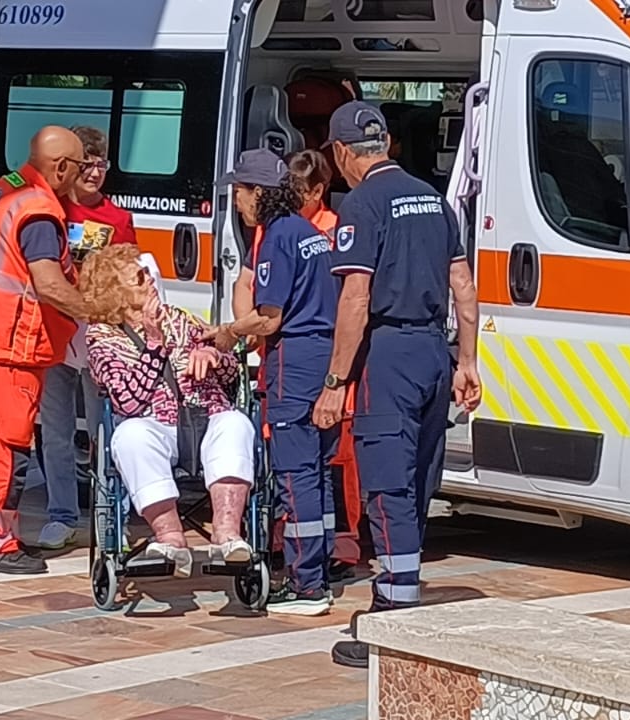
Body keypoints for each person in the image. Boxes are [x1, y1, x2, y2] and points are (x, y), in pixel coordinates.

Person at [312, 101, 481, 667]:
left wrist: (335, 381)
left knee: (387, 485)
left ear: (342, 152)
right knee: (418, 480)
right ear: (385, 143)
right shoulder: (433, 199)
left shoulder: (362, 204)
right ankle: (401, 587)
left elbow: (355, 299)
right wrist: (467, 362)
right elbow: (464, 288)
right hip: (434, 352)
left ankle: (393, 616)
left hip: (388, 354)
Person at [219, 150, 366, 579]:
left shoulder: (277, 237)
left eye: (240, 193)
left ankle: (305, 582)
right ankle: (318, 567)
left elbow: (269, 318)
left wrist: (230, 331)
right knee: (317, 471)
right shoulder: (308, 231)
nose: (237, 204)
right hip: (322, 358)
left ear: (259, 193)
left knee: (295, 474)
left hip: (295, 362)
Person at [0, 126, 92, 574]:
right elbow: (48, 284)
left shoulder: (7, 186)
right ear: (61, 167)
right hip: (11, 342)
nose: (81, 176)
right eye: (79, 167)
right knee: (9, 448)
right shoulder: (40, 211)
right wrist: (95, 311)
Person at [84, 244, 255, 577]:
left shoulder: (180, 318)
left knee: (236, 423)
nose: (150, 278)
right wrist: (154, 346)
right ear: (115, 293)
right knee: (130, 436)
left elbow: (232, 372)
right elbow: (127, 402)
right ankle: (171, 538)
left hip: (205, 417)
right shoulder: (102, 339)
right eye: (139, 277)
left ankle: (227, 534)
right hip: (153, 427)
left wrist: (213, 357)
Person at [28, 125, 140, 551]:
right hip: (55, 335)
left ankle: (112, 516)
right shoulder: (50, 210)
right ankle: (61, 515)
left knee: (105, 432)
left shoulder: (118, 219)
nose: (94, 173)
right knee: (55, 431)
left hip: (100, 341)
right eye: (87, 164)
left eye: (101, 165)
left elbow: (131, 277)